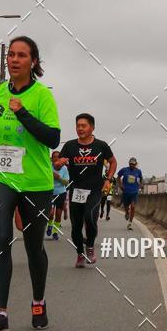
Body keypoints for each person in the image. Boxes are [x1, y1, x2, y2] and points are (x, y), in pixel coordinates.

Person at [0, 36, 60, 331]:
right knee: (1, 238)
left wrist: (22, 113)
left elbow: (53, 139)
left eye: (21, 55)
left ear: (33, 62)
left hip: (36, 181)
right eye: (11, 54)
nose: (14, 59)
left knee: (34, 246)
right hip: (0, 177)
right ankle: (0, 313)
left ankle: (38, 301)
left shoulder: (42, 97)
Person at [56, 114, 116, 267]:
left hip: (95, 190)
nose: (80, 128)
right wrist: (60, 162)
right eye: (78, 126)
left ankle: (90, 246)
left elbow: (112, 161)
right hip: (76, 190)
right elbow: (56, 165)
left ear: (92, 127)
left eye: (84, 125)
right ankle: (79, 254)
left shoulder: (101, 146)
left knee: (90, 217)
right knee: (75, 226)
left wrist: (108, 179)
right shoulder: (69, 146)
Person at [46, 151, 69, 240]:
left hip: (61, 193)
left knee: (58, 214)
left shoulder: (64, 169)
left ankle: (55, 232)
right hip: (50, 192)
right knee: (51, 213)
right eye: (54, 157)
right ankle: (50, 225)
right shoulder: (48, 167)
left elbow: (66, 182)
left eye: (58, 157)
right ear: (52, 158)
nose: (56, 158)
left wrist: (58, 178)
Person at [117, 158, 143, 230]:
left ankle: (130, 223)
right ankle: (126, 212)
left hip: (134, 192)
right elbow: (118, 177)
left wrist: (141, 185)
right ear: (129, 164)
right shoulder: (124, 170)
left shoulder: (138, 171)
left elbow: (141, 179)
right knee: (126, 207)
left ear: (135, 164)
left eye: (133, 164)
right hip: (126, 192)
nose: (131, 165)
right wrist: (120, 185)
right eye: (130, 164)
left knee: (133, 206)